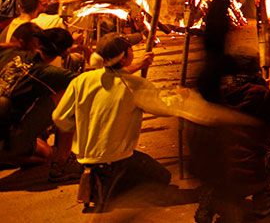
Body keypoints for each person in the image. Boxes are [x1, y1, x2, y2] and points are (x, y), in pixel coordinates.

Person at [52, 33, 250, 212]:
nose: (133, 51)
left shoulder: (81, 80)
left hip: (84, 159)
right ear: (124, 56)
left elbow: (59, 117)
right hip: (116, 161)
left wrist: (84, 131)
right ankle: (112, 189)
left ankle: (99, 181)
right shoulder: (134, 85)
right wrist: (185, 96)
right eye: (130, 48)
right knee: (161, 177)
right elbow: (163, 107)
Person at [191, 53, 270, 222]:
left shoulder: (214, 101)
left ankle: (213, 199)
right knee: (267, 156)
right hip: (254, 175)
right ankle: (263, 204)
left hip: (220, 175)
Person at [0, 26, 79, 181]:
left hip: (3, 129)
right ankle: (62, 163)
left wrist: (10, 45)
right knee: (69, 94)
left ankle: (3, 157)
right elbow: (88, 80)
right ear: (63, 52)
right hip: (8, 137)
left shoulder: (11, 54)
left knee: (46, 153)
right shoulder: (45, 72)